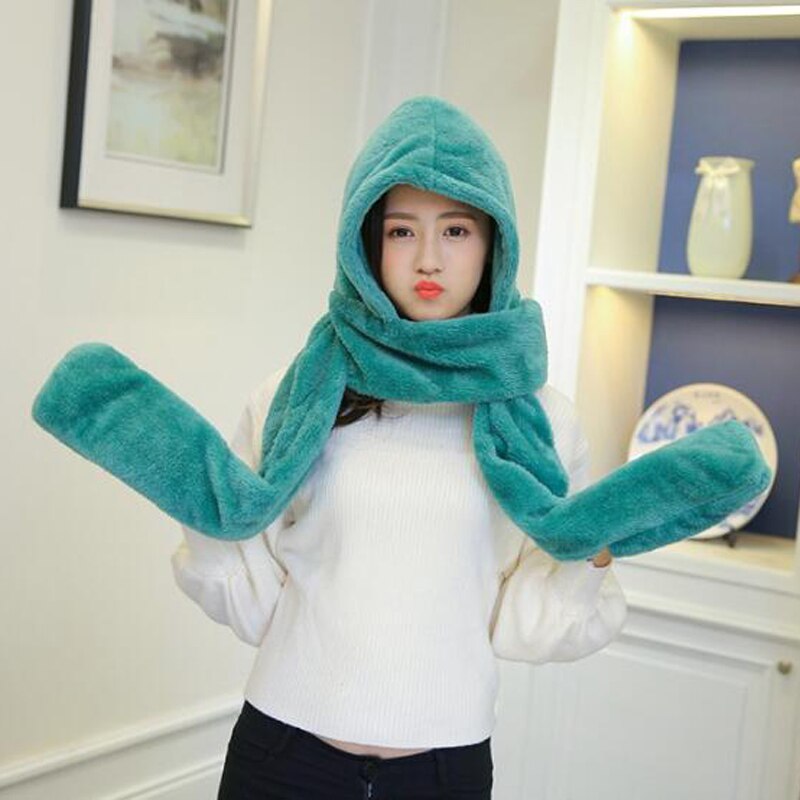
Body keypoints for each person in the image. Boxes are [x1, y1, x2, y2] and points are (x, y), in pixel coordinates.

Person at [171, 96, 627, 799]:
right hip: (282, 755)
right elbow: (253, 593)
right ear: (366, 243)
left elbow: (522, 622)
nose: (428, 258)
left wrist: (595, 547)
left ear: (494, 244)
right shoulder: (298, 395)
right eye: (402, 230)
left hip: (442, 770)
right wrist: (193, 500)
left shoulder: (542, 421)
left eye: (456, 230)